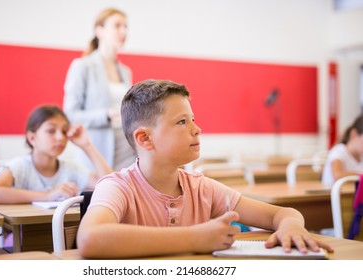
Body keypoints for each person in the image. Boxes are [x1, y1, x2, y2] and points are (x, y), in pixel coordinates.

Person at [76, 79, 333, 259]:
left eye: (193, 119)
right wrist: (195, 238)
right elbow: (89, 239)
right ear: (145, 139)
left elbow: (282, 214)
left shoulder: (201, 187)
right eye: (181, 121)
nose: (197, 129)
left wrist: (291, 226)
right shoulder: (117, 187)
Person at [0, 105, 113, 204]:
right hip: (22, 236)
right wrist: (47, 196)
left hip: (61, 236)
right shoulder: (20, 166)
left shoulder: (71, 168)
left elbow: (110, 186)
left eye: (64, 131)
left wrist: (87, 145)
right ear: (32, 138)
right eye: (51, 131)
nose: (60, 137)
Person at [63, 8, 136, 172]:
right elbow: (70, 114)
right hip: (97, 150)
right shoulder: (82, 66)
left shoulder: (125, 71)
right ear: (99, 30)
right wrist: (106, 115)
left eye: (125, 26)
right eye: (117, 26)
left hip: (127, 148)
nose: (123, 31)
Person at [321, 113, 363, 187]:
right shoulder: (339, 151)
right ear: (354, 134)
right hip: (335, 197)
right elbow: (338, 175)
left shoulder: (361, 156)